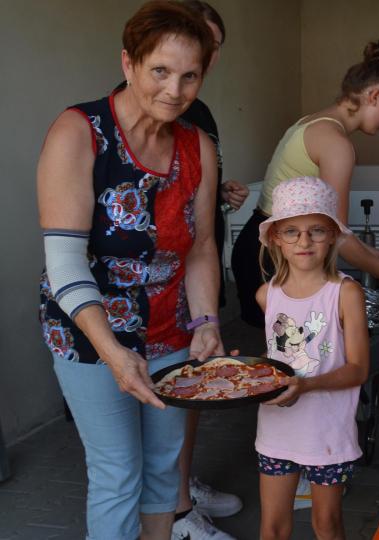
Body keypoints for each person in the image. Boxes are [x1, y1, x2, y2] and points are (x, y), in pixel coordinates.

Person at [36, 3, 222, 539]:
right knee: (119, 473)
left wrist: (207, 319)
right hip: (90, 335)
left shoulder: (198, 147)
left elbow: (202, 246)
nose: (174, 89)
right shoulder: (80, 132)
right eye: (160, 70)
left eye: (190, 75)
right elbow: (65, 260)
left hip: (169, 329)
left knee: (164, 469)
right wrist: (114, 352)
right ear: (129, 63)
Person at [232, 38, 379, 328]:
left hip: (261, 245)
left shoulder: (314, 122)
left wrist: (367, 254)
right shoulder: (336, 144)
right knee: (290, 357)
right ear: (375, 95)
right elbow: (338, 234)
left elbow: (333, 229)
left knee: (286, 357)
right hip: (273, 256)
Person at [166, 3, 247, 538]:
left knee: (192, 385)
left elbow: (193, 189)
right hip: (155, 285)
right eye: (199, 39)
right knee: (167, 397)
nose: (207, 53)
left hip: (198, 271)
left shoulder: (202, 113)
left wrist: (222, 191)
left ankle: (182, 485)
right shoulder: (150, 106)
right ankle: (172, 511)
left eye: (214, 45)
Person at [252, 177, 369, 540]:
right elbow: (278, 357)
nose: (304, 241)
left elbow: (359, 369)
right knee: (272, 527)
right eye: (292, 232)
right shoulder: (266, 295)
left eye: (316, 230)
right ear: (276, 239)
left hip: (326, 431)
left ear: (333, 235)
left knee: (327, 525)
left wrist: (307, 385)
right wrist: (247, 370)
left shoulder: (344, 293)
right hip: (276, 428)